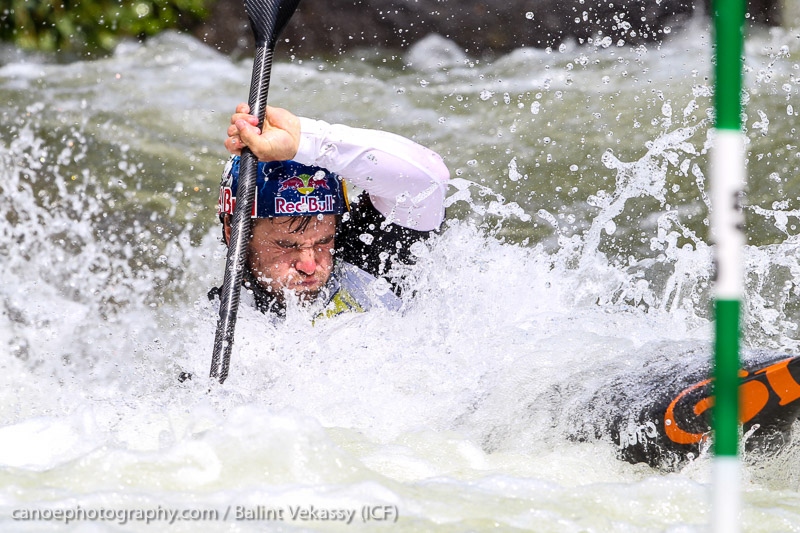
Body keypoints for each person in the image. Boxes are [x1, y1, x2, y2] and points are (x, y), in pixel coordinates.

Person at [215, 103, 450, 319]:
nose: (309, 266)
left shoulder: (371, 257)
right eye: (286, 245)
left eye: (324, 242)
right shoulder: (226, 317)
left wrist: (307, 140)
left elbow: (428, 182)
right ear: (233, 233)